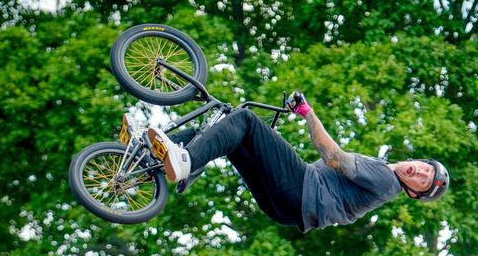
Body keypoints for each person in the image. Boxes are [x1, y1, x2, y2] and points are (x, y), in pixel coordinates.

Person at [146, 92, 449, 233]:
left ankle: (185, 161)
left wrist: (307, 113)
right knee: (228, 133)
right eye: (424, 168)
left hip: (302, 191)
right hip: (285, 209)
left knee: (246, 120)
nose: (420, 172)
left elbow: (333, 158)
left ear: (412, 192)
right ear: (416, 160)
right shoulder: (382, 171)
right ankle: (149, 163)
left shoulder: (386, 180)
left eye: (422, 180)